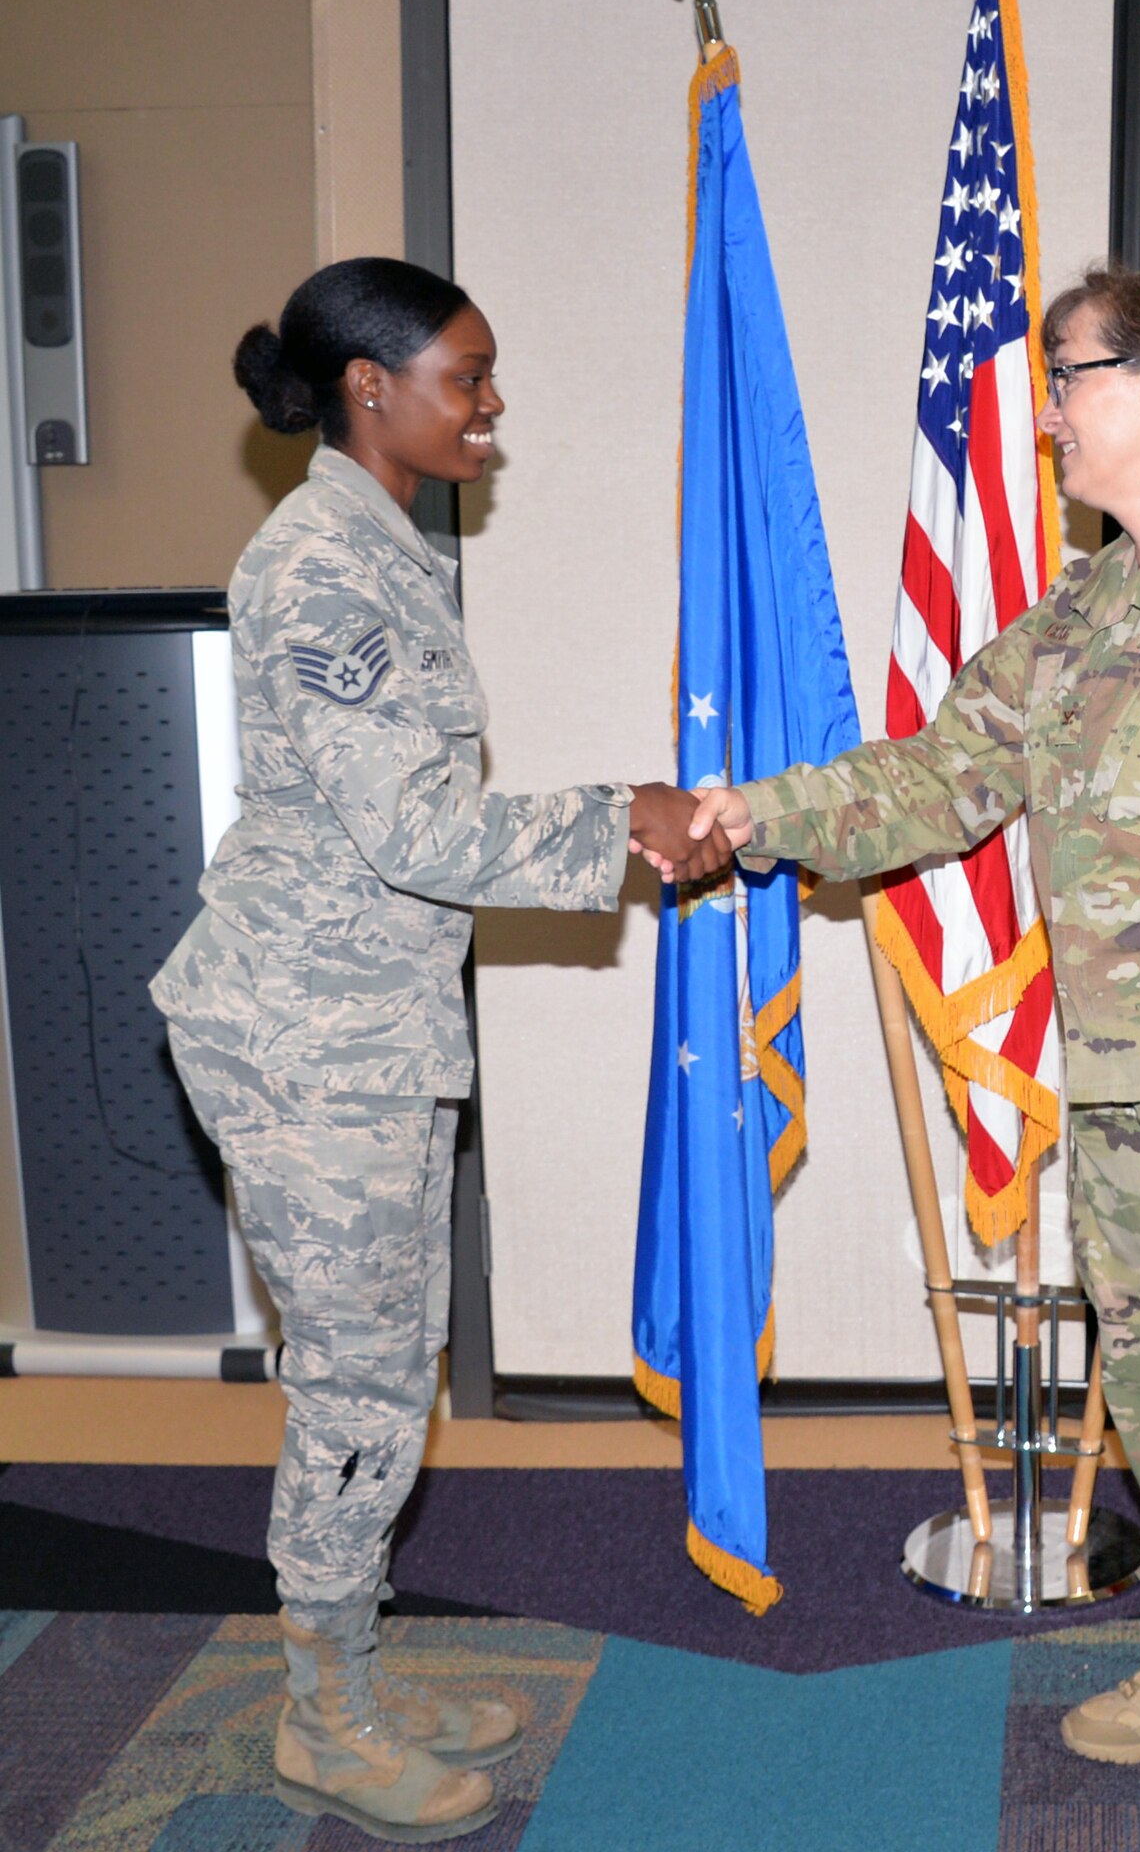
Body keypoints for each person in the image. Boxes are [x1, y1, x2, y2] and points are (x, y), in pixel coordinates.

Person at [660, 267, 1140, 1838]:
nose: (1045, 409)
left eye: (1068, 375)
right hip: (1132, 1091)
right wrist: (755, 817)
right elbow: (937, 782)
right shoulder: (1079, 616)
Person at [151, 258, 725, 1843]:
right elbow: (415, 829)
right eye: (464, 377)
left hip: (364, 1031)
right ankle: (324, 1721)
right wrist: (625, 820)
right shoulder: (321, 566)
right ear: (367, 388)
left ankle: (351, 1675)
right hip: (301, 1041)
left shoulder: (380, 545)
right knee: (354, 1390)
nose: (487, 407)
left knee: (386, 1379)